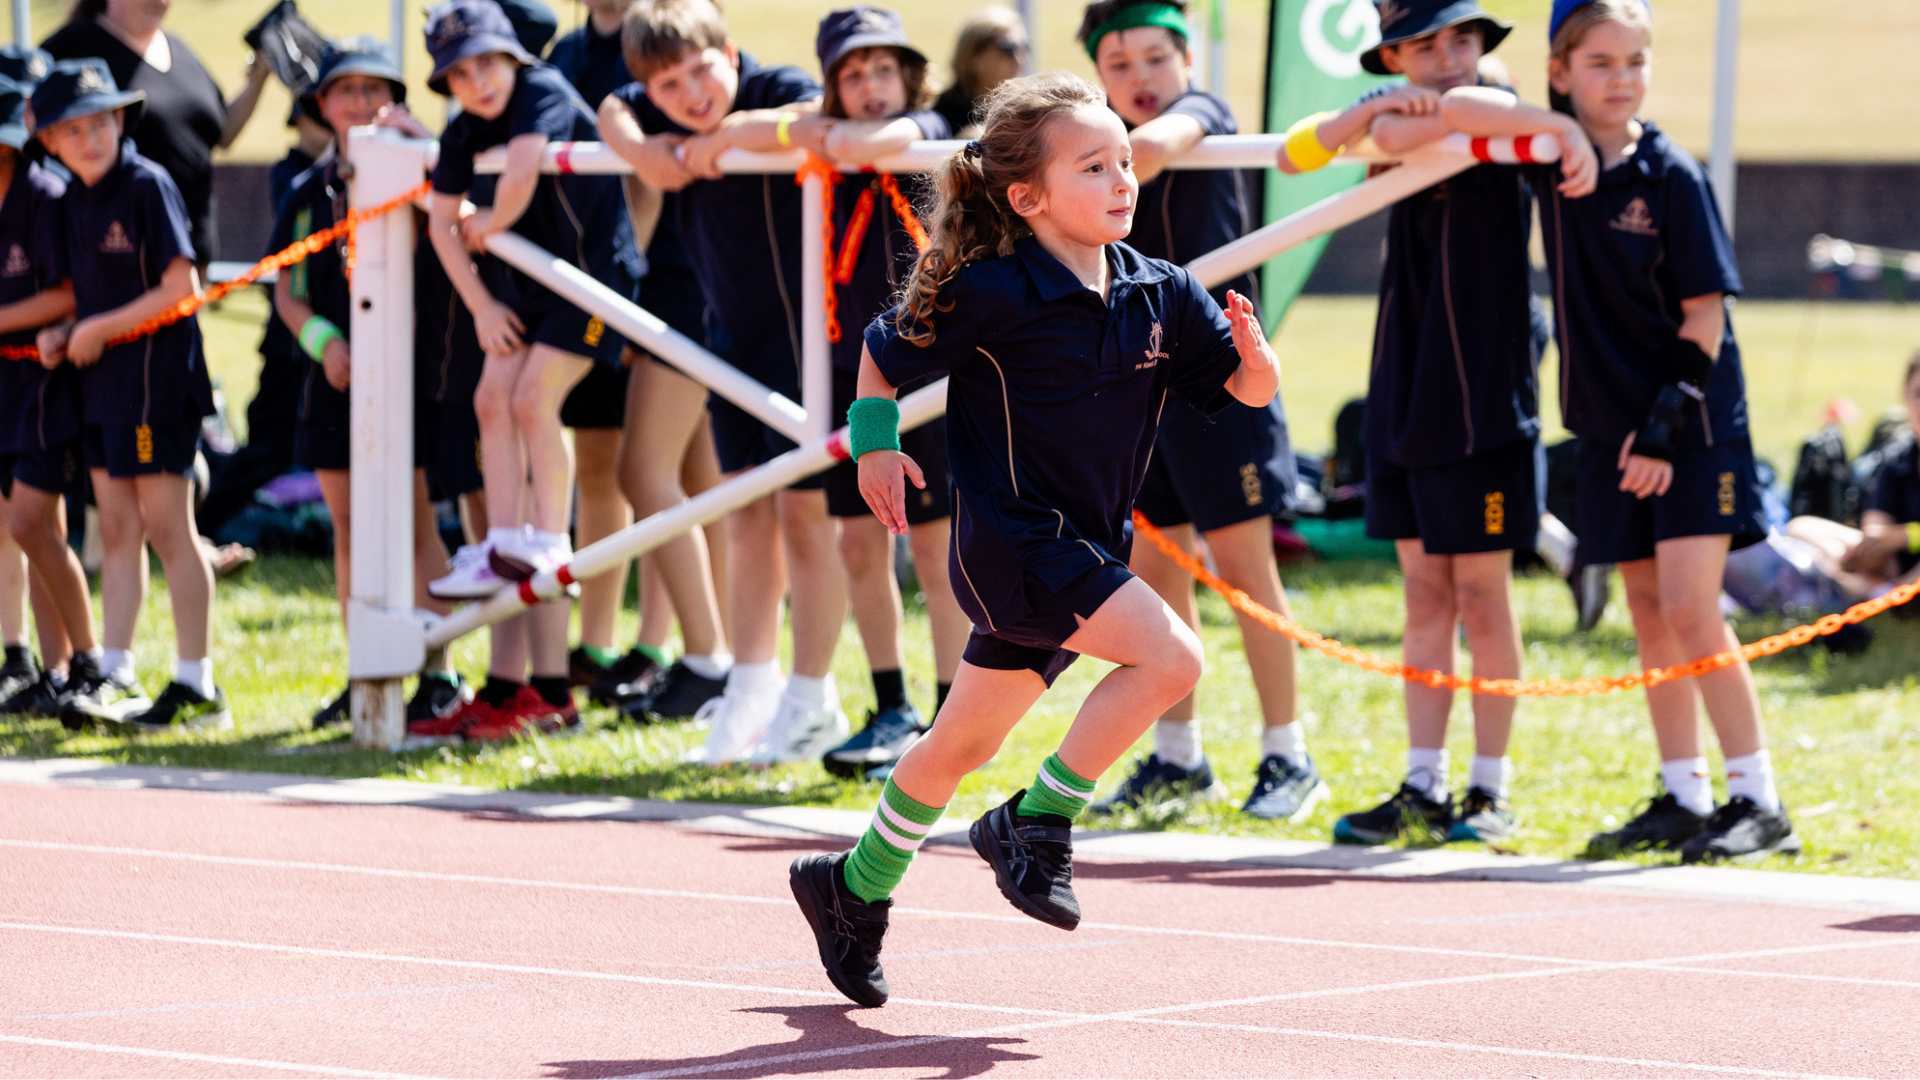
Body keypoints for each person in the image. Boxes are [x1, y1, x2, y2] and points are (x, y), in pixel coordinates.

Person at [788, 72, 1279, 1007]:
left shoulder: (1162, 291)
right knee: (1174, 659)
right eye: (1094, 166)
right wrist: (877, 452)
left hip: (1086, 549)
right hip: (1013, 542)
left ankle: (850, 889)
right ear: (1028, 196)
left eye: (1127, 160)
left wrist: (1262, 368)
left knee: (956, 744)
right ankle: (1038, 821)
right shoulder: (991, 291)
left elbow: (1240, 393)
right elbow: (882, 354)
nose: (1123, 178)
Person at [1286, 0, 1595, 848]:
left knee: (1483, 597)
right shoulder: (1391, 120)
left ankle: (1487, 788)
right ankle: (1421, 780)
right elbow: (1298, 149)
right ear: (1391, 52)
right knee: (1424, 593)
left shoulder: (1493, 111)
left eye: (1463, 38)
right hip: (1404, 389)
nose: (1451, 57)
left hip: (1486, 397)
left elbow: (1477, 108)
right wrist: (1378, 109)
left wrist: (1417, 102)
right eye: (1427, 44)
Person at [1533, 0, 1795, 862]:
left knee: (1691, 608)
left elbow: (1707, 318)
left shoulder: (1671, 175)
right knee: (1646, 611)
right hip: (1612, 434)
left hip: (1690, 426)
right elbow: (1467, 107)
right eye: (1601, 62)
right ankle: (1683, 795)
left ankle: (1758, 800)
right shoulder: (1549, 159)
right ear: (1561, 72)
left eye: (1636, 60)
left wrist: (1659, 431)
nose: (1623, 79)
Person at [1074, 0, 1318, 822]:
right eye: (1118, 67)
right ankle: (1177, 756)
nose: (1140, 78)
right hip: (1142, 387)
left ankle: (1288, 751)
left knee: (1248, 568)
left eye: (1154, 59)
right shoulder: (1090, 148)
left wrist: (1070, 165)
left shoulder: (1202, 112)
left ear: (1185, 58)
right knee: (1156, 568)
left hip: (1225, 379)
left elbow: (1151, 148)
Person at [599, 0, 852, 766]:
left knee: (809, 523)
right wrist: (641, 152)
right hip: (730, 344)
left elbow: (818, 120)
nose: (691, 93)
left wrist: (731, 137)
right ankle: (751, 686)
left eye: (701, 70)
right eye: (670, 85)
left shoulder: (772, 85)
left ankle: (814, 697)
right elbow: (614, 105)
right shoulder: (650, 106)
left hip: (811, 341)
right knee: (744, 521)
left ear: (730, 53)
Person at [422, 0, 641, 739]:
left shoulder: (541, 90)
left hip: (590, 279)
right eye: (459, 72)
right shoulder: (460, 128)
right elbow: (438, 221)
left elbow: (517, 177)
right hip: (526, 288)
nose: (477, 81)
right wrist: (481, 304)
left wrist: (491, 224)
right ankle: (503, 538)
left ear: (512, 57)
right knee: (494, 399)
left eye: (486, 62)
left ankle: (546, 534)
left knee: (532, 399)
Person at [272, 40, 470, 731]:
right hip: (333, 381)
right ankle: (365, 665)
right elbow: (289, 291)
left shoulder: (421, 172)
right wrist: (325, 344)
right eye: (343, 90)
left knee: (415, 521)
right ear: (319, 105)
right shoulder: (306, 191)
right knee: (350, 525)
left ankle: (440, 669)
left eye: (373, 88)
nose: (358, 102)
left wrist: (430, 151)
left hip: (410, 373)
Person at [32, 59, 227, 731]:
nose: (91, 138)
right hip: (103, 388)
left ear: (121, 123)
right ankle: (114, 668)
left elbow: (183, 289)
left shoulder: (147, 185)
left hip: (157, 383)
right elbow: (86, 298)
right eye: (75, 129)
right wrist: (64, 332)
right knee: (115, 529)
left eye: (102, 122)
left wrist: (95, 329)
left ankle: (197, 682)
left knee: (171, 528)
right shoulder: (71, 200)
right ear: (50, 141)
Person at [807, 6, 969, 779]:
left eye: (882, 70)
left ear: (908, 75)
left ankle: (949, 717)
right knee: (857, 542)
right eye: (851, 74)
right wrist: (799, 132)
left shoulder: (927, 128)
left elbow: (886, 141)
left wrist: (824, 135)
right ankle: (889, 704)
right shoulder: (821, 145)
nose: (870, 87)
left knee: (937, 548)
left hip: (928, 373)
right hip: (849, 371)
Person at [545, 0, 641, 692]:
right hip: (570, 286)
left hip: (645, 290)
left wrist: (632, 301)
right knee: (598, 465)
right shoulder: (562, 57)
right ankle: (593, 644)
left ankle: (659, 646)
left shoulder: (662, 48)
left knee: (678, 476)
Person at [0, 68, 98, 723]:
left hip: (43, 386)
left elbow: (69, 294)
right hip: (6, 387)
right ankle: (42, 666)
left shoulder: (44, 196)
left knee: (36, 525)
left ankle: (87, 662)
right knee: (24, 531)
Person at [42, 0, 270, 269]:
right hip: (116, 257)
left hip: (189, 255)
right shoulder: (71, 49)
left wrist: (259, 76)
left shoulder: (179, 49)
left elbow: (221, 132)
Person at [1785, 353, 1920, 602]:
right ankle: (1871, 590)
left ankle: (1878, 594)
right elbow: (1876, 528)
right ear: (1905, 398)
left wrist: (1904, 536)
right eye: (1919, 394)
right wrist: (1873, 546)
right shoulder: (1898, 458)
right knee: (1800, 528)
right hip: (1894, 562)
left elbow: (1892, 535)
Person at [930, 7, 1026, 137]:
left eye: (1025, 47)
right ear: (974, 56)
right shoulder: (939, 116)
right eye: (1008, 49)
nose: (1018, 59)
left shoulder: (1026, 109)